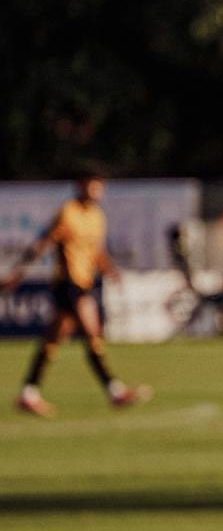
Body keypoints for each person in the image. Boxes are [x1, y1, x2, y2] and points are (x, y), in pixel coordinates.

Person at [2, 173, 150, 417]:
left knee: (53, 339)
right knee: (92, 333)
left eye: (99, 187)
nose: (96, 191)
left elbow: (95, 250)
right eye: (92, 185)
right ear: (81, 186)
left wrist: (109, 270)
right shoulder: (68, 212)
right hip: (68, 283)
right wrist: (19, 272)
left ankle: (28, 393)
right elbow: (44, 242)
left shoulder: (97, 216)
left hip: (84, 281)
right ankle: (114, 391)